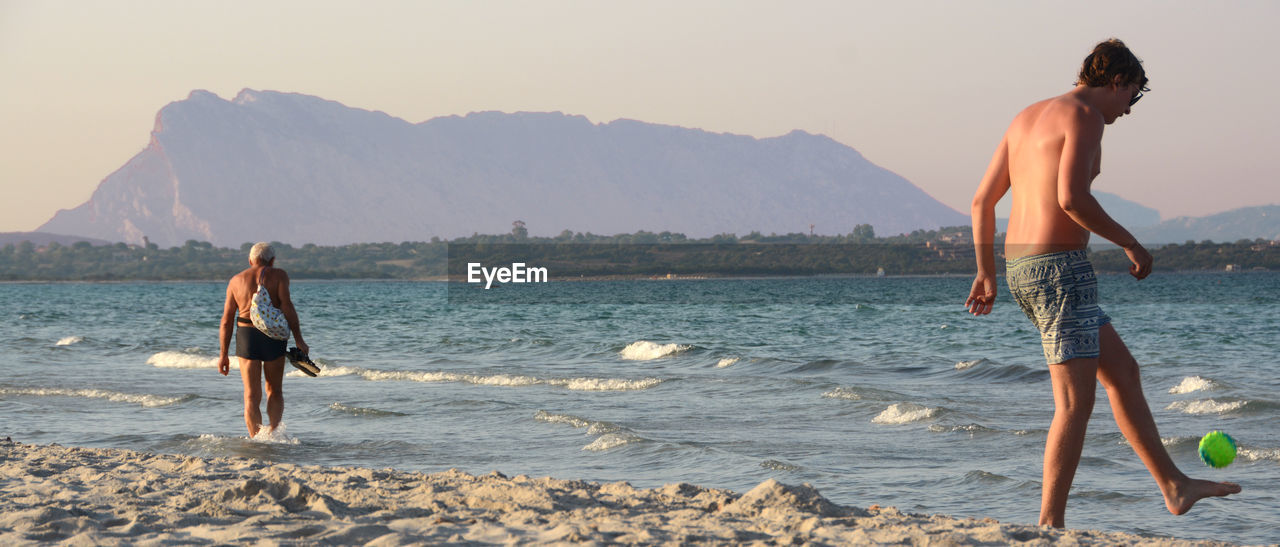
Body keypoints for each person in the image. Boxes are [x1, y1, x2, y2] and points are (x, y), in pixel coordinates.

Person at [965, 39, 1240, 528]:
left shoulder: (1026, 116)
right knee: (1074, 402)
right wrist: (1131, 243)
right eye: (1131, 97)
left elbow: (982, 202)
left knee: (1122, 372)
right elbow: (1071, 198)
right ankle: (1050, 523)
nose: (1128, 111)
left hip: (1023, 270)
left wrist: (986, 271)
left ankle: (1174, 487)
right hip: (1060, 270)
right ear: (1117, 82)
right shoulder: (1086, 116)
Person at [218, 242, 309, 437]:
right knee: (274, 390)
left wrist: (223, 355)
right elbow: (287, 307)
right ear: (273, 260)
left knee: (251, 394)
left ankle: (256, 440)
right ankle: (274, 435)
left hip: (247, 336)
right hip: (273, 336)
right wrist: (299, 339)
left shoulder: (236, 280)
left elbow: (226, 320)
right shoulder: (279, 276)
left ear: (250, 260)